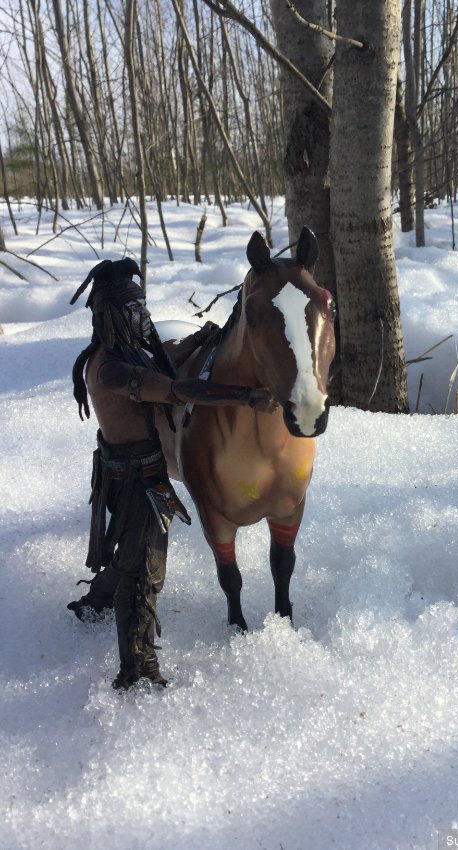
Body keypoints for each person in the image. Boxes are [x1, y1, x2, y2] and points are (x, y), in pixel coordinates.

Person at [68, 258, 275, 689]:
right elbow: (174, 388)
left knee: (129, 553)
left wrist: (198, 340)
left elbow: (161, 366)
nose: (143, 317)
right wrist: (243, 396)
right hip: (134, 479)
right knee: (144, 572)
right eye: (132, 311)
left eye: (143, 307)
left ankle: (97, 602)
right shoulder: (110, 368)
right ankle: (138, 672)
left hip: (142, 470)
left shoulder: (122, 354)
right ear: (109, 316)